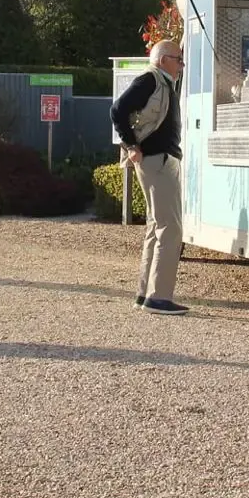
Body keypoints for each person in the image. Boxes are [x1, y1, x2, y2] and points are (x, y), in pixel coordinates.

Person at [110, 38, 187, 314]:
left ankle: (146, 295)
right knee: (170, 228)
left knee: (156, 228)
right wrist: (132, 146)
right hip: (157, 160)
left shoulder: (163, 81)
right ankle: (159, 297)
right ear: (163, 59)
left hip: (158, 159)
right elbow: (117, 109)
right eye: (178, 59)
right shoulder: (150, 80)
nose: (181, 65)